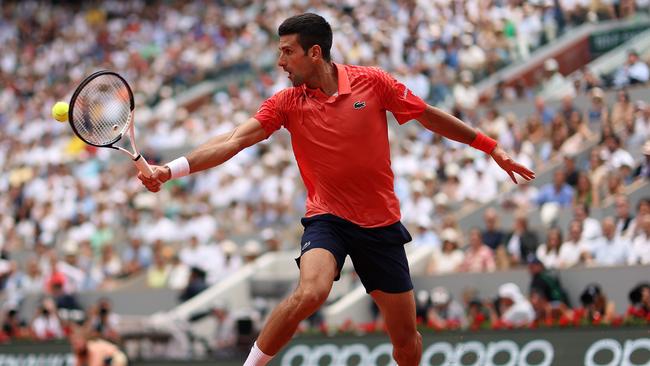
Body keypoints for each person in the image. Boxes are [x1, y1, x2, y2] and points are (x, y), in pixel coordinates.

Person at [137, 13, 535, 366]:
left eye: (287, 52)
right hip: (327, 217)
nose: (280, 62)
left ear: (314, 53)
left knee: (407, 345)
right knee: (311, 292)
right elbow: (233, 140)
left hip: (380, 224)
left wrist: (491, 147)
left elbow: (429, 116)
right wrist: (170, 171)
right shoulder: (287, 103)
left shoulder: (372, 83)